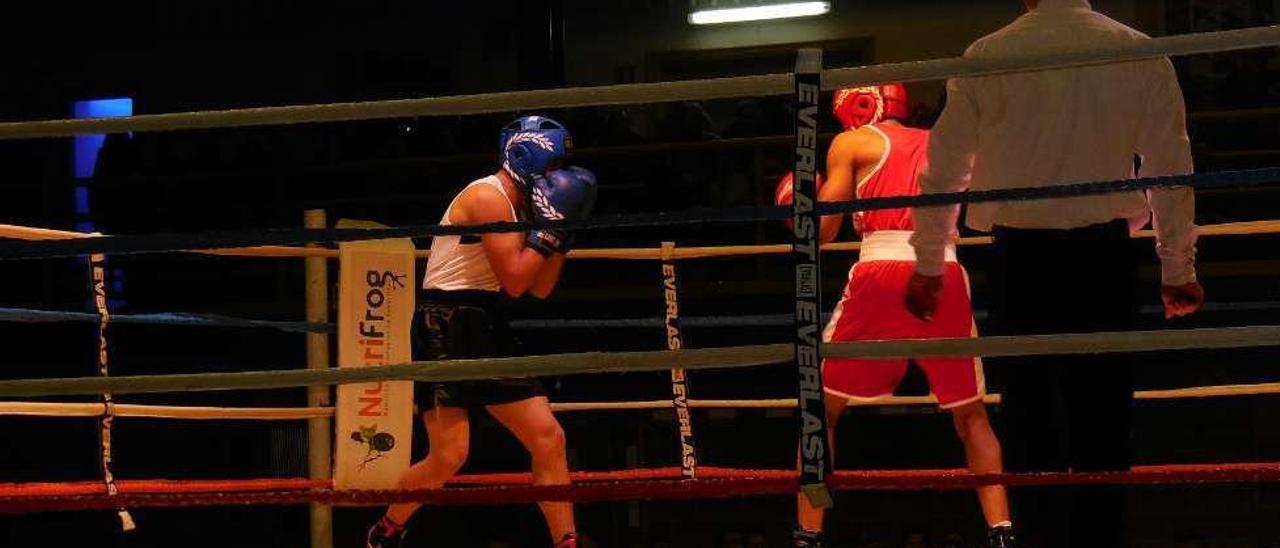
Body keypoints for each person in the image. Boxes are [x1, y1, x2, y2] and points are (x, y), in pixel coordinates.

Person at [904, 2, 1204, 547]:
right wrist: (1177, 264)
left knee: (1028, 412)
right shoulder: (1133, 49)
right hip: (1103, 256)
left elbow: (945, 165)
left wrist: (929, 262)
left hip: (1020, 257)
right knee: (1103, 416)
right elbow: (1169, 161)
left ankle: (1040, 537)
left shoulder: (990, 54)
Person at [779, 85, 1015, 548]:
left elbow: (821, 233)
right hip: (944, 269)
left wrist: (795, 206)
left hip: (880, 268)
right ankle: (1001, 531)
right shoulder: (945, 140)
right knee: (971, 416)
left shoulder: (852, 142)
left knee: (820, 411)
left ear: (856, 108)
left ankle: (808, 536)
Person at [366, 115, 596, 548]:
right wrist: (547, 231)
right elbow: (514, 280)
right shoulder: (487, 198)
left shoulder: (526, 207)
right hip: (445, 322)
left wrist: (562, 232)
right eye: (552, 167)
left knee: (549, 438)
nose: (557, 178)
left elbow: (540, 288)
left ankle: (567, 541)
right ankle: (388, 528)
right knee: (450, 456)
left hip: (486, 321)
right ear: (527, 155)